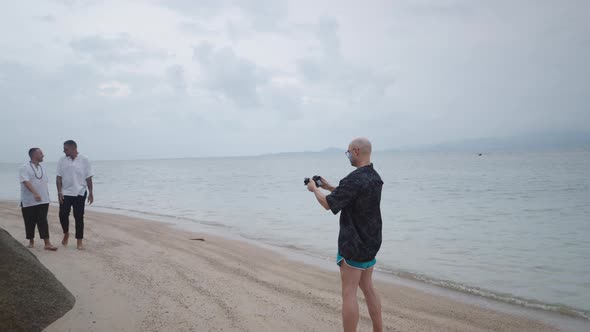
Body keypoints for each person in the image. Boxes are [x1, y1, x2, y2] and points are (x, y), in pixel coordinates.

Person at [307, 137, 384, 332]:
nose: (347, 155)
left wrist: (314, 189)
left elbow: (328, 204)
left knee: (349, 293)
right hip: (371, 242)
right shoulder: (374, 177)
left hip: (353, 245)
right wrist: (328, 186)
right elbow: (352, 196)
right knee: (368, 288)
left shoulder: (354, 179)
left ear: (356, 151)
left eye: (348, 151)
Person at [56, 140, 94, 250]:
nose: (64, 151)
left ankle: (79, 241)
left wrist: (91, 193)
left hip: (80, 192)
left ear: (73, 148)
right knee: (62, 215)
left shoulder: (84, 159)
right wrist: (59, 192)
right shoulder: (62, 160)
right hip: (65, 192)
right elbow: (58, 178)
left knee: (79, 217)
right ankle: (66, 233)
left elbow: (89, 177)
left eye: (66, 149)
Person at [19, 148, 57, 251]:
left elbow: (44, 183)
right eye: (41, 153)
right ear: (34, 155)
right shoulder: (24, 167)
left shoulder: (42, 168)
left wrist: (47, 197)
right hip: (29, 201)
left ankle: (47, 243)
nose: (43, 155)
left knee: (43, 221)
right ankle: (31, 241)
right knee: (29, 221)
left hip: (43, 200)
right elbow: (26, 182)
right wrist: (35, 193)